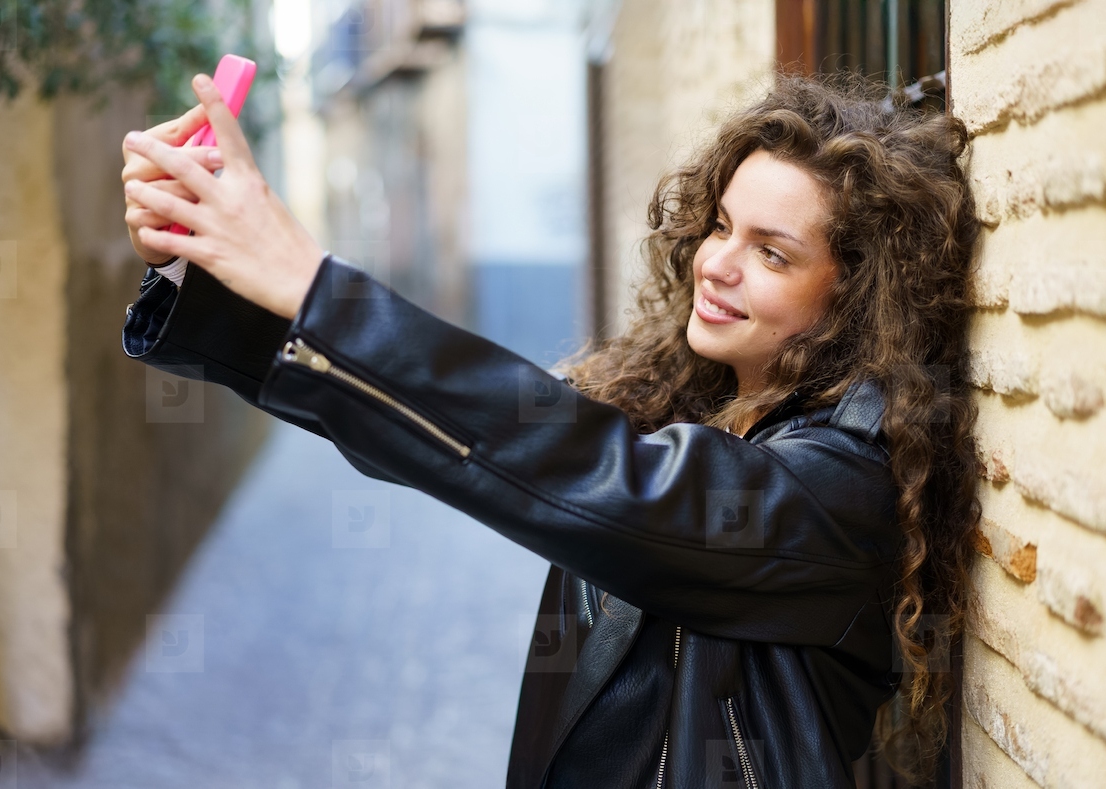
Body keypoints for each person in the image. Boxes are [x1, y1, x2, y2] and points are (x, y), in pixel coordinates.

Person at [120, 71, 982, 788]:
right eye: (722, 225)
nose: (715, 262)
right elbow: (464, 437)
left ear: (854, 297)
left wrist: (312, 284)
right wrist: (216, 277)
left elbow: (578, 466)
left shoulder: (840, 486)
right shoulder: (688, 401)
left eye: (773, 252)